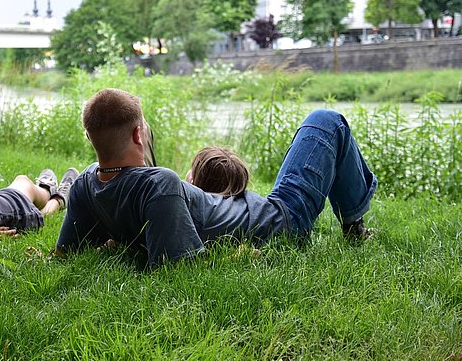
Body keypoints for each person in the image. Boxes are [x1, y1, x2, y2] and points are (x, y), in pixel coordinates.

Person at [56, 88, 377, 266]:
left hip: (252, 210)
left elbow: (65, 254)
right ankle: (353, 224)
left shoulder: (85, 184)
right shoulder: (159, 183)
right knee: (326, 120)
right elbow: (177, 266)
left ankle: (353, 223)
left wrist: (117, 242)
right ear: (139, 135)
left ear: (89, 138)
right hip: (283, 220)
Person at [0, 161, 78, 250]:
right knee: (28, 192)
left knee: (22, 181)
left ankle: (47, 188)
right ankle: (58, 198)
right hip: (1, 213)